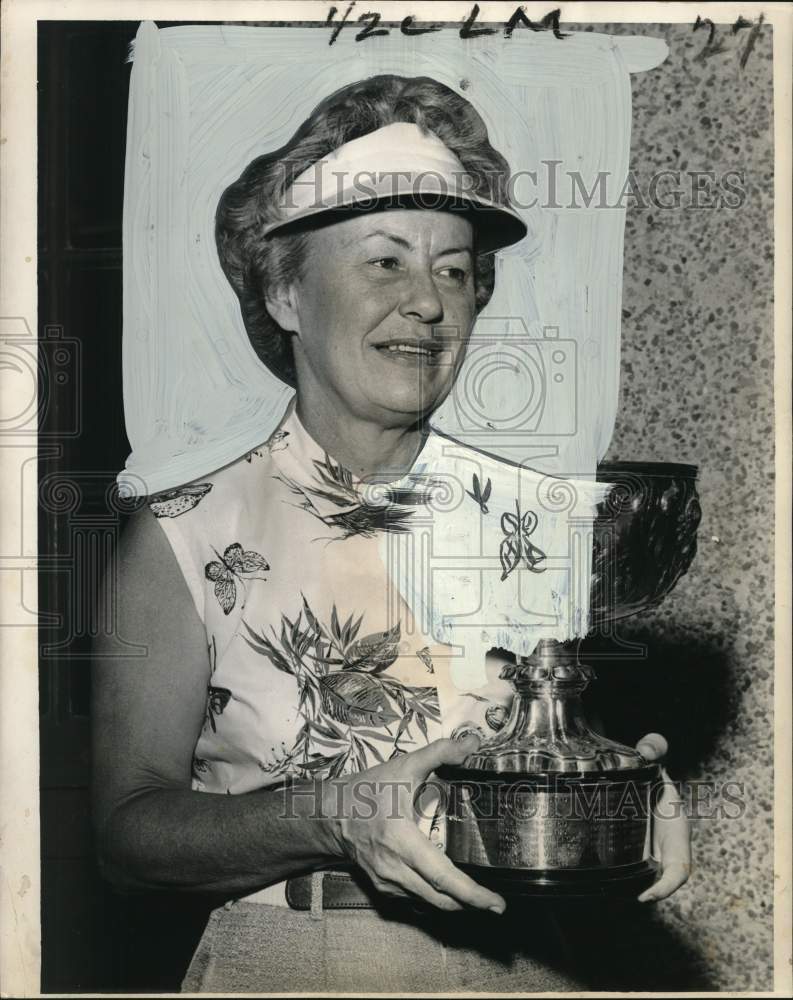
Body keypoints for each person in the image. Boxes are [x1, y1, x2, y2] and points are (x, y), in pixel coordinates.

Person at [92, 74, 690, 993]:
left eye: (453, 269)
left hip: (528, 966)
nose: (428, 303)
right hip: (289, 962)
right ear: (285, 294)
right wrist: (331, 816)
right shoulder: (183, 536)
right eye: (384, 261)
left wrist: (621, 804)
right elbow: (127, 834)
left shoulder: (547, 520)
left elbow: (550, 740)